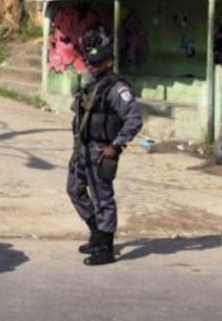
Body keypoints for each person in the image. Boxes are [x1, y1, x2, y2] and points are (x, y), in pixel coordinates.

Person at [67, 29, 143, 266]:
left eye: (96, 63)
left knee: (103, 200)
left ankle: (106, 249)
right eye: (89, 62)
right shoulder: (93, 83)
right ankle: (97, 234)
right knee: (74, 190)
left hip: (101, 150)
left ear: (109, 62)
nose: (91, 66)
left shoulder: (117, 89)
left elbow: (134, 119)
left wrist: (116, 146)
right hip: (82, 148)